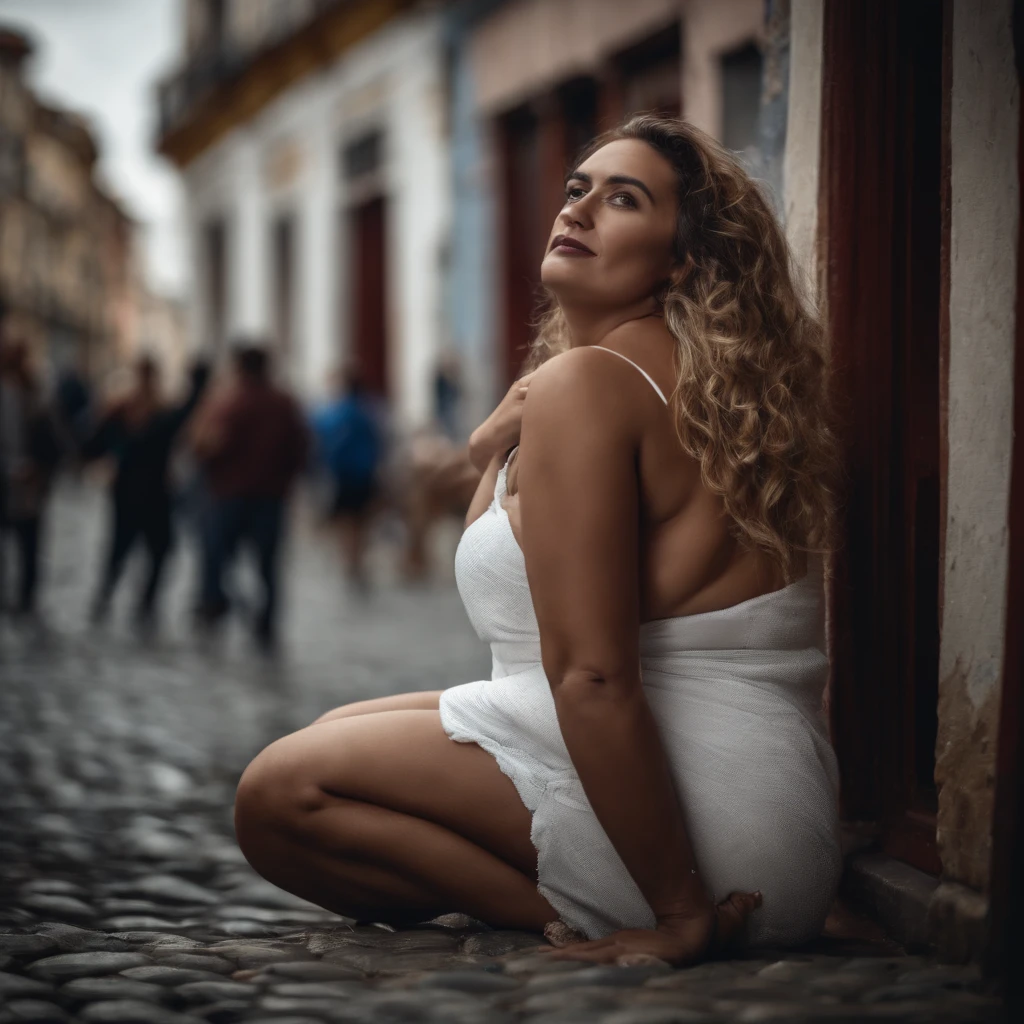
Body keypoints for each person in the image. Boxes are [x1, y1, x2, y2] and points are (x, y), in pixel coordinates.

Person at [234, 115, 841, 963]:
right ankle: (593, 904)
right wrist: (492, 444)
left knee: (280, 791)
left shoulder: (590, 384)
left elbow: (593, 675)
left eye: (622, 199)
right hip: (772, 804)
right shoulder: (674, 383)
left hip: (707, 826)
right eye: (576, 188)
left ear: (684, 259)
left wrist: (679, 912)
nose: (580, 209)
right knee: (338, 725)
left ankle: (594, 918)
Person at [192, 343, 308, 651]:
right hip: (271, 496)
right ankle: (265, 621)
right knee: (268, 566)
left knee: (218, 556)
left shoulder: (227, 403)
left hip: (229, 494)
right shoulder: (284, 403)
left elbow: (203, 445)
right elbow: (301, 450)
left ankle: (219, 606)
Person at [84, 355, 210, 629]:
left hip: (136, 489)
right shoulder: (150, 412)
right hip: (147, 490)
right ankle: (134, 601)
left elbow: (92, 445)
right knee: (144, 548)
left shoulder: (126, 410)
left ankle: (115, 599)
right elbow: (93, 445)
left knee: (131, 548)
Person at [0, 338, 61, 619]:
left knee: (29, 544)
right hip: (6, 481)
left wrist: (39, 470)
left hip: (29, 484)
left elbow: (53, 441)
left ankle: (26, 599)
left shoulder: (36, 394)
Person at [310, 366, 383, 590]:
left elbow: (320, 437)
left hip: (344, 475)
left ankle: (351, 562)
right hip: (365, 473)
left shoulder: (337, 412)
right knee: (362, 521)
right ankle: (357, 561)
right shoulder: (369, 411)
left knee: (346, 521)